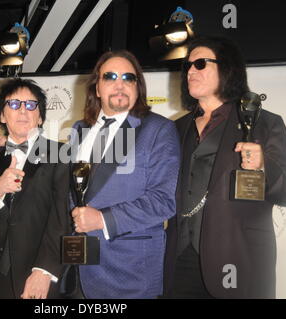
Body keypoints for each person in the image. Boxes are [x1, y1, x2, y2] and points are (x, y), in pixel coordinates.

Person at [163, 36, 286, 299]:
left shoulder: (264, 123)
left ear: (227, 69)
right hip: (179, 262)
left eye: (200, 63)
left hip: (238, 260)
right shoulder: (175, 129)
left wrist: (262, 166)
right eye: (187, 66)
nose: (190, 70)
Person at [65, 50, 180, 299]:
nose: (120, 84)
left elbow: (163, 200)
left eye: (128, 78)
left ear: (138, 87)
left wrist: (103, 220)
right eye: (110, 77)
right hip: (76, 273)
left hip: (130, 277)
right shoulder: (79, 129)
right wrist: (9, 144)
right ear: (97, 88)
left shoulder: (159, 130)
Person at [0, 78, 70, 299]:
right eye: (14, 104)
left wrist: (44, 271)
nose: (23, 110)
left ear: (41, 116)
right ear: (3, 115)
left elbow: (62, 221)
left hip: (38, 277)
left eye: (31, 105)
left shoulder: (61, 155)